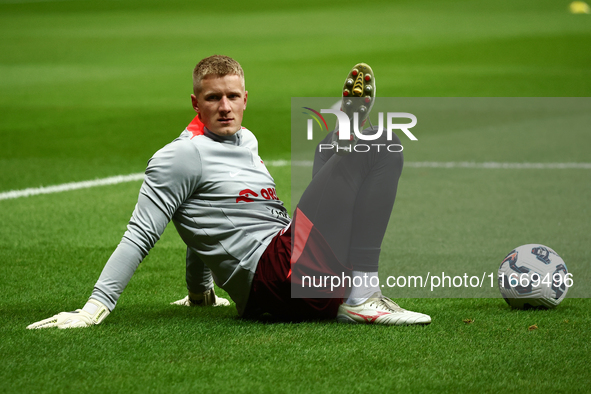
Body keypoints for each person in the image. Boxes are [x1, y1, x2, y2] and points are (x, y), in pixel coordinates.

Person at [27, 55, 430, 329]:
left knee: (328, 149)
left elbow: (204, 218)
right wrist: (93, 308)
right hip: (279, 278)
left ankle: (343, 136)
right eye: (213, 97)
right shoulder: (180, 156)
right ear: (195, 102)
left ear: (245, 99)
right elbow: (140, 233)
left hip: (293, 259)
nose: (224, 106)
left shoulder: (245, 141)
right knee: (381, 145)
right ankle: (362, 294)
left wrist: (200, 292)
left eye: (232, 96)